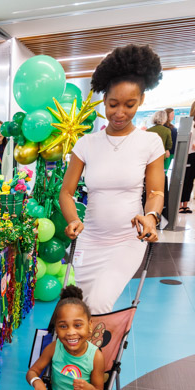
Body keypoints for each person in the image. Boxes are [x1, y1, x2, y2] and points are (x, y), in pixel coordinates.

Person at [60, 44, 165, 314]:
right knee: (79, 309)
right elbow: (67, 193)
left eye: (129, 105)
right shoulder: (86, 144)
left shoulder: (149, 142)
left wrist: (151, 218)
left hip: (126, 241)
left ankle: (96, 357)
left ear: (141, 100)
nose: (120, 113)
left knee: (98, 304)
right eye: (113, 104)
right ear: (104, 100)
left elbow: (155, 193)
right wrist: (73, 219)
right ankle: (85, 357)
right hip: (89, 241)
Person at [147, 110, 173, 220]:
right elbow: (169, 145)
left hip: (147, 158)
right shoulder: (167, 131)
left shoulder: (148, 130)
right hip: (160, 159)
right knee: (159, 183)